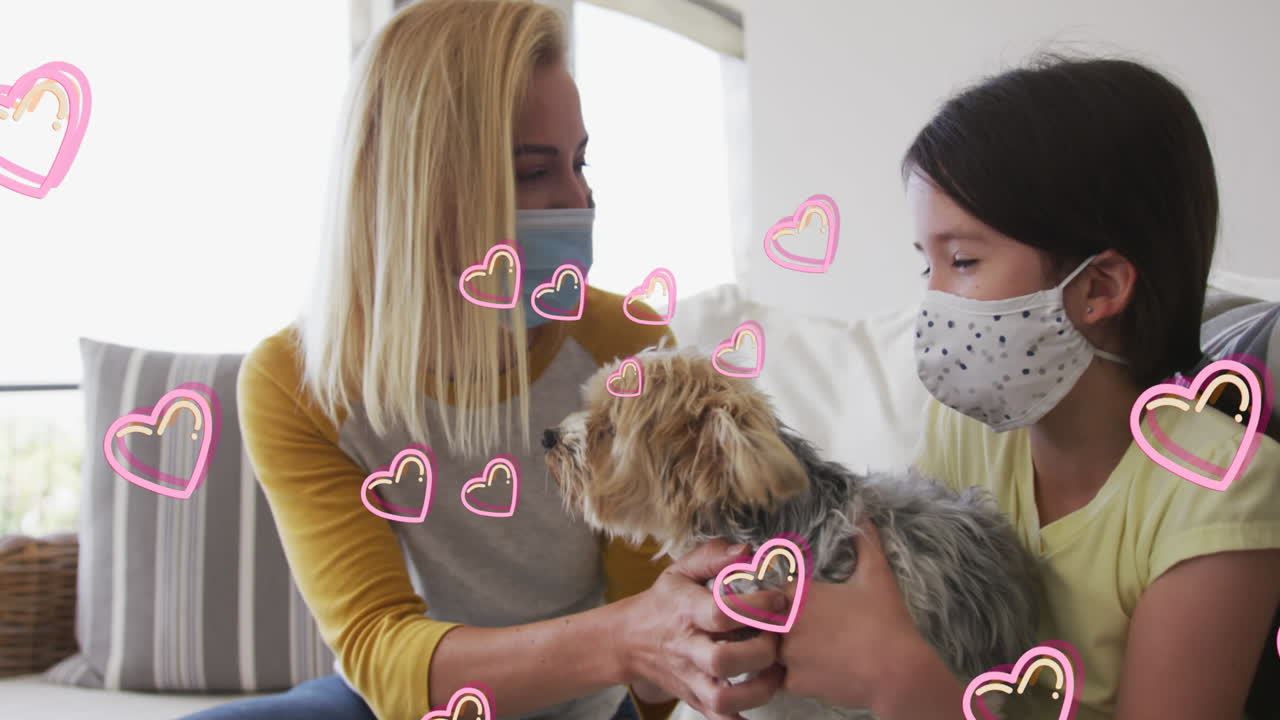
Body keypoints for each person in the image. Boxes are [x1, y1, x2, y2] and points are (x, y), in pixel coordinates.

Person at [183, 2, 784, 719]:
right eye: (534, 171)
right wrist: (627, 640)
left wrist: (672, 648)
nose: (580, 199)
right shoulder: (298, 384)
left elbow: (655, 645)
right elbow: (380, 650)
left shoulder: (624, 344)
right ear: (420, 192)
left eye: (580, 162)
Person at [776, 56, 1280, 719]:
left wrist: (906, 686)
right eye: (927, 265)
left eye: (963, 261)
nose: (932, 303)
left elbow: (906, 669)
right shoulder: (970, 427)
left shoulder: (1220, 489)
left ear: (1098, 288)